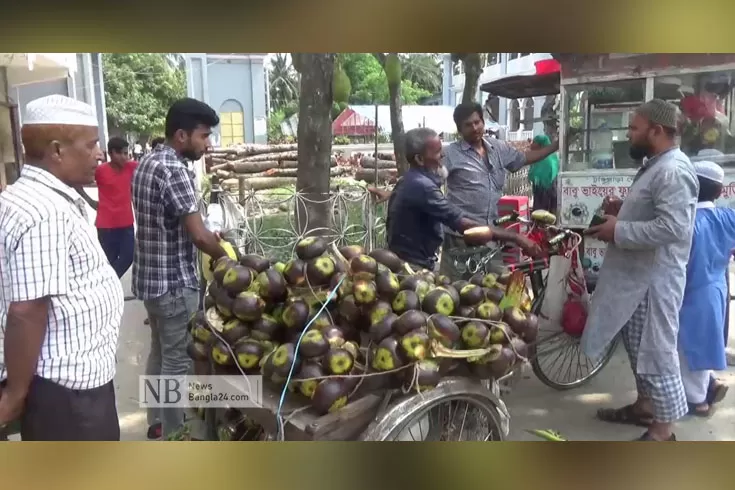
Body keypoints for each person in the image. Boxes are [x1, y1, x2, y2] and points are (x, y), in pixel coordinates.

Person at [0, 95, 123, 440]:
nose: (99, 154)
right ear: (56, 150)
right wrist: (14, 395)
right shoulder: (46, 212)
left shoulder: (32, 197)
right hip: (68, 396)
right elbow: (26, 310)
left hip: (72, 388)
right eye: (92, 145)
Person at [581, 99, 698, 441]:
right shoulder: (657, 165)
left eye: (634, 128)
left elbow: (673, 228)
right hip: (636, 279)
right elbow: (653, 212)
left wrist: (619, 229)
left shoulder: (673, 170)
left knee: (655, 352)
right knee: (636, 349)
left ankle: (663, 432)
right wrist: (624, 210)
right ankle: (645, 406)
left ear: (657, 131)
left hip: (654, 281)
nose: (628, 134)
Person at [132, 98, 227, 440]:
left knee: (160, 351)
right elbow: (200, 237)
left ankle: (156, 419)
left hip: (150, 282)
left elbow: (168, 224)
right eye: (204, 136)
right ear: (182, 135)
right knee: (176, 361)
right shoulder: (175, 170)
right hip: (173, 285)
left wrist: (200, 235)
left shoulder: (147, 162)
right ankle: (175, 432)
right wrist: (225, 257)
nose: (208, 143)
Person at [385, 127, 542, 272]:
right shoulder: (423, 186)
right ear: (419, 159)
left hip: (407, 260)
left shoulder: (411, 179)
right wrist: (516, 237)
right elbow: (464, 224)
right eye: (438, 152)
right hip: (412, 267)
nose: (443, 155)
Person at [439, 102, 559, 279]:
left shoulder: (498, 148)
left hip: (490, 238)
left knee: (498, 290)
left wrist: (556, 145)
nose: (474, 128)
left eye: (477, 122)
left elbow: (525, 158)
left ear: (483, 122)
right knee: (457, 293)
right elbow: (429, 180)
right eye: (468, 125)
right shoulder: (451, 154)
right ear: (459, 129)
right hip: (460, 239)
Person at [678, 160, 730, 417]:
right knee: (708, 340)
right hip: (718, 287)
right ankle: (711, 382)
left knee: (690, 350)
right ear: (720, 192)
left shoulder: (688, 223)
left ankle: (698, 402)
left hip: (693, 292)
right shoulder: (727, 217)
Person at [77, 137, 137, 279]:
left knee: (128, 256)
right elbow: (77, 182)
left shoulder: (131, 167)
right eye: (120, 153)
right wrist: (90, 201)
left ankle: (108, 282)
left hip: (126, 223)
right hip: (106, 225)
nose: (124, 157)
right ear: (111, 154)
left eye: (126, 153)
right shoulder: (100, 171)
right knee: (107, 259)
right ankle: (106, 284)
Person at [527, 134, 559, 213]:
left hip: (544, 191)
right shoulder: (552, 156)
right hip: (553, 190)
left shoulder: (543, 159)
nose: (532, 144)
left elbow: (536, 174)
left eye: (534, 142)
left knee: (541, 214)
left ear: (540, 144)